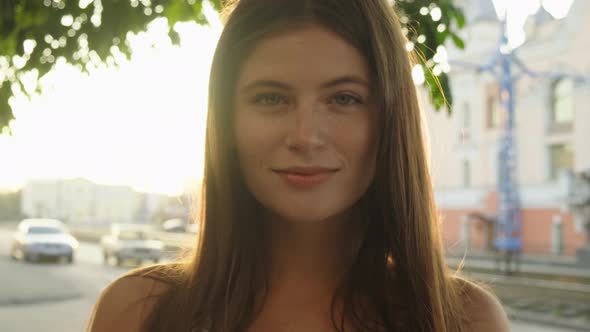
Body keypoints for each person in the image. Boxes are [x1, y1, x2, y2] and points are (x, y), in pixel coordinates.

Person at [87, 0, 510, 331]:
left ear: (390, 120)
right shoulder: (137, 314)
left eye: (344, 98)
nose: (305, 135)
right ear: (226, 121)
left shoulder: (466, 322)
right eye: (271, 98)